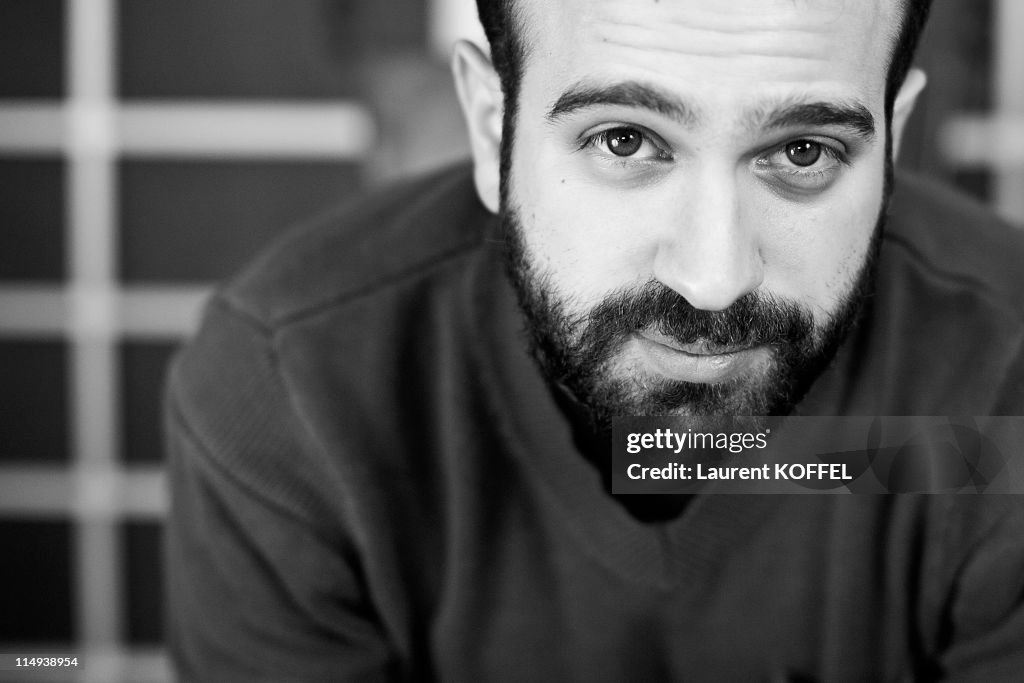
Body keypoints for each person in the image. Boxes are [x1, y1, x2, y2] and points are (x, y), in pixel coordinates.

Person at [165, 0, 1024, 679]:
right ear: (492, 126)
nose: (712, 277)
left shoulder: (1002, 389)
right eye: (625, 139)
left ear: (894, 135)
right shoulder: (292, 397)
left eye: (803, 151)